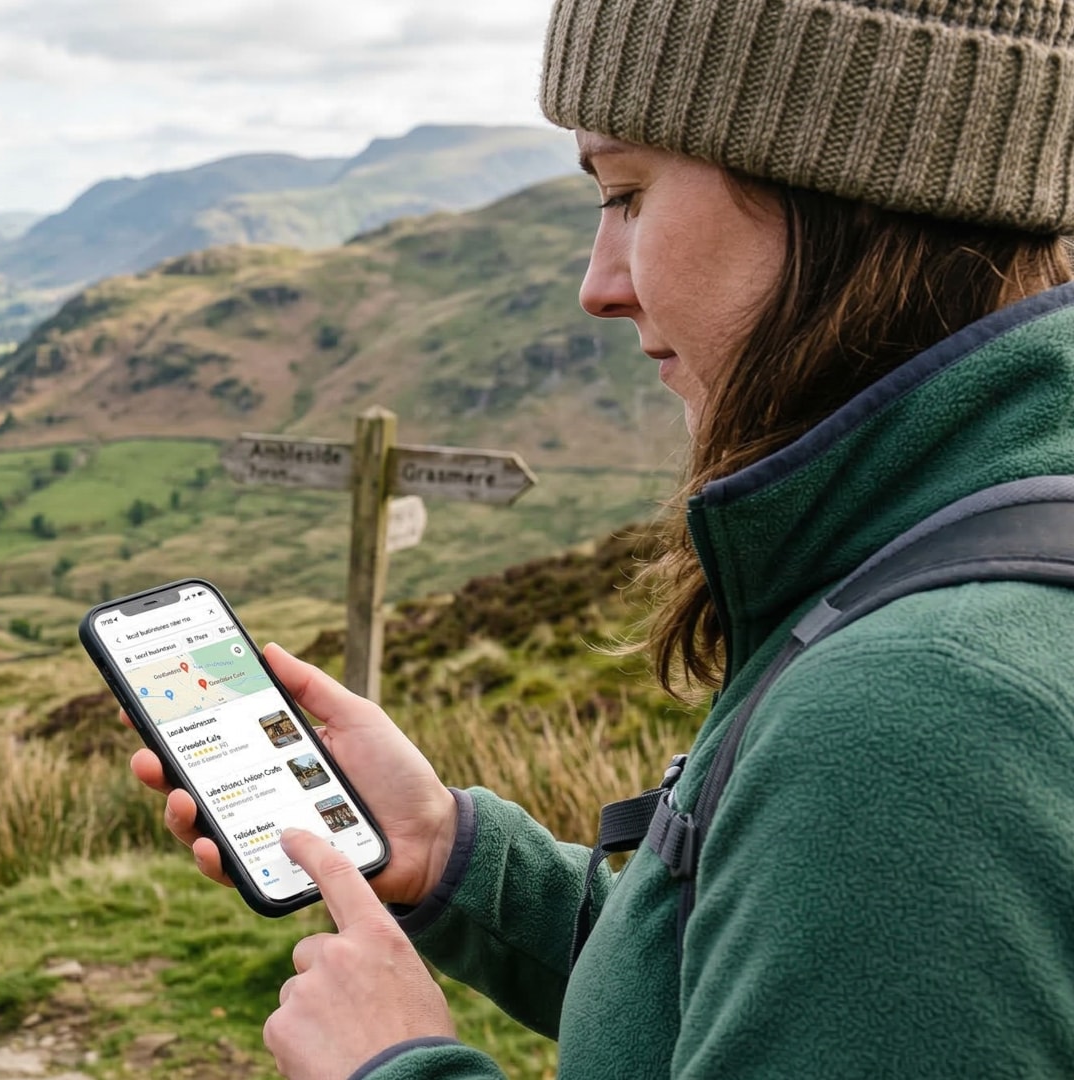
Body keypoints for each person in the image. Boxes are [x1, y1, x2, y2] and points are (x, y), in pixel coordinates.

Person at [129, 1, 1074, 1076]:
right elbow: (756, 1000)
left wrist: (394, 1067)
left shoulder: (918, 721)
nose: (598, 286)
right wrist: (456, 858)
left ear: (845, 181)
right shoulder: (982, 552)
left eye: (627, 194)